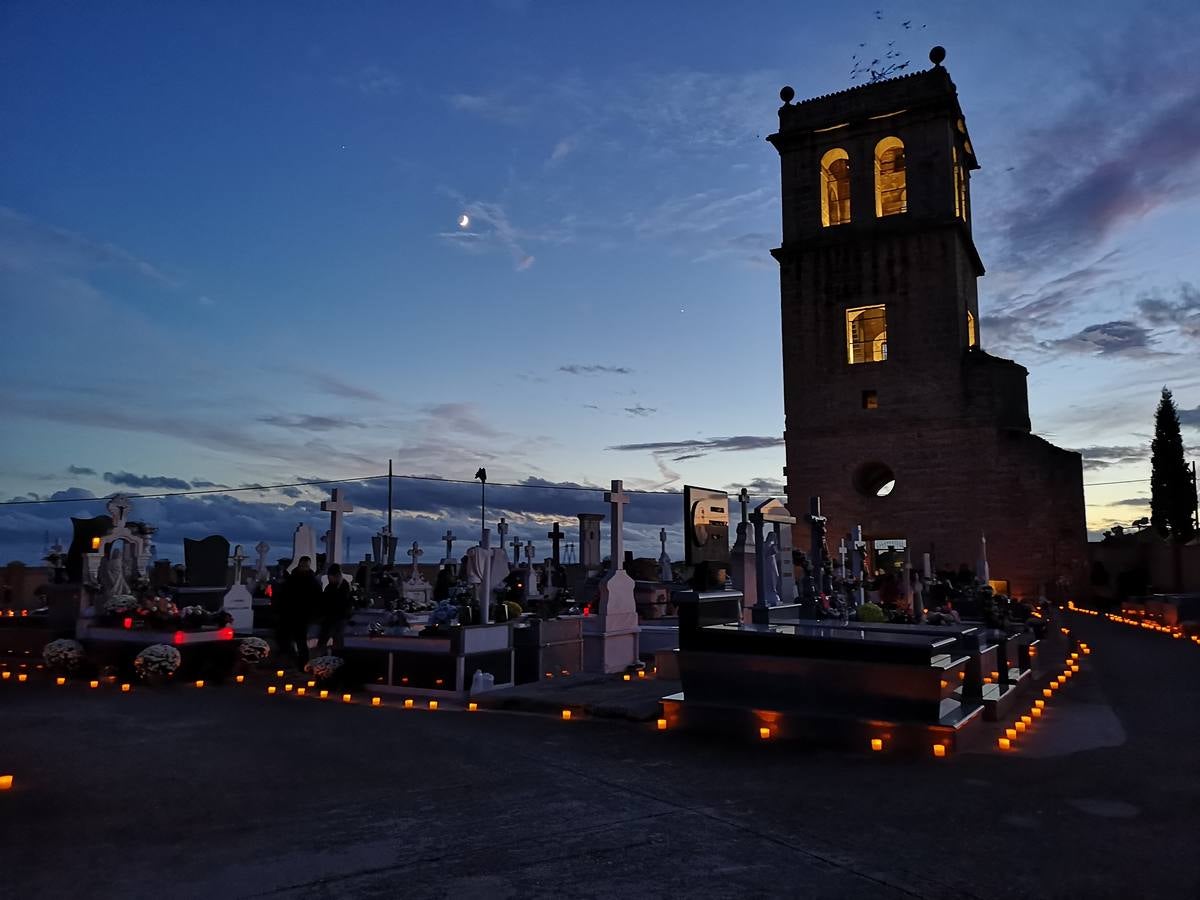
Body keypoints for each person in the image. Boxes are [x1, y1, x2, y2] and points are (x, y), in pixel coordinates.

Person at [279, 556, 320, 669]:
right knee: (288, 639)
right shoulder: (292, 578)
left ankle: (303, 663)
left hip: (304, 615)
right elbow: (285, 595)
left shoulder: (312, 581)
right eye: (302, 565)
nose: (304, 568)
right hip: (291, 613)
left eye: (306, 566)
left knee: (301, 640)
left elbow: (316, 599)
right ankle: (291, 661)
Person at [316, 563, 353, 655]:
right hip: (333, 618)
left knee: (333, 640)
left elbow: (341, 603)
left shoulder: (342, 587)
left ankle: (330, 659)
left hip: (337, 618)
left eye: (330, 576)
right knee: (333, 640)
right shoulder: (338, 586)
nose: (329, 579)